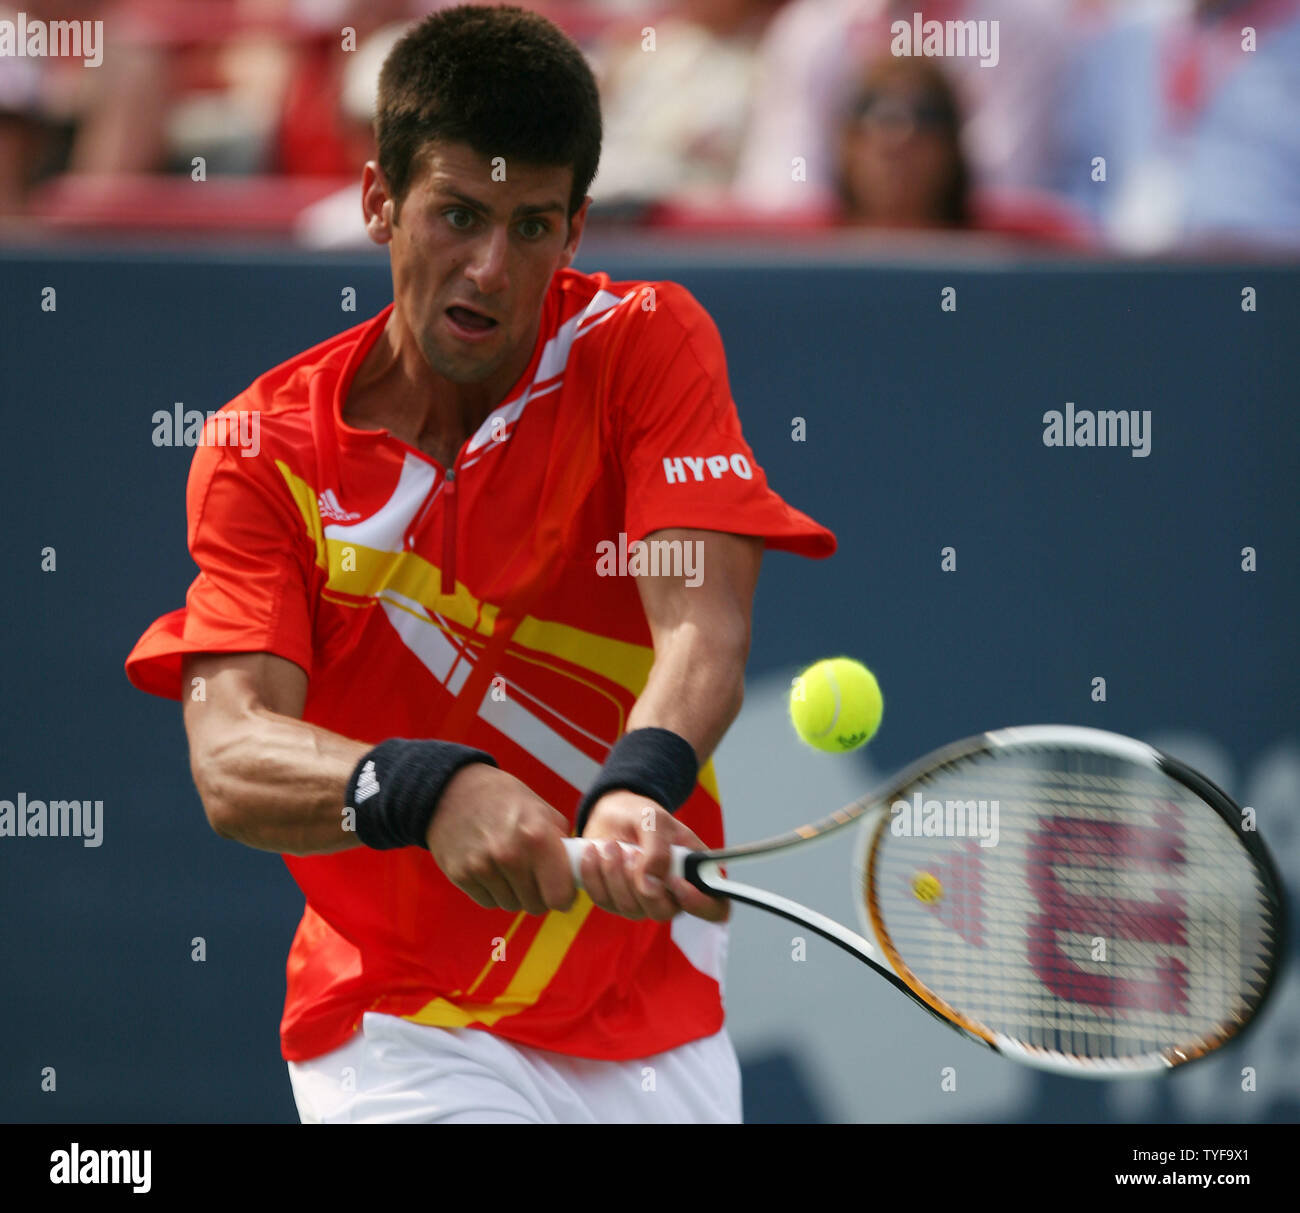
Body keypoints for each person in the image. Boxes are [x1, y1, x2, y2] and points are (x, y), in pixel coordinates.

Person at [124, 3, 835, 1124]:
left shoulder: (647, 343)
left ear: (576, 226)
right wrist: (425, 786)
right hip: (398, 1024)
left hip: (649, 1026)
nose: (493, 269)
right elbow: (231, 753)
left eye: (533, 227)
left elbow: (700, 626)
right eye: (456, 215)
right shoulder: (263, 451)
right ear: (376, 202)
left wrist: (639, 784)